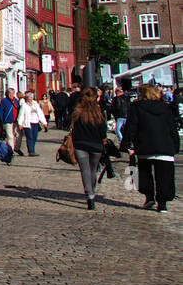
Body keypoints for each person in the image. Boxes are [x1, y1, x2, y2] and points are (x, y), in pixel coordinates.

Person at [121, 83, 180, 213]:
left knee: (144, 174)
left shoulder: (137, 107)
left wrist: (126, 144)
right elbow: (172, 128)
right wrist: (176, 145)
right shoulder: (166, 108)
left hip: (145, 145)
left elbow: (131, 127)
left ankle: (149, 198)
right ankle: (162, 204)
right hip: (165, 146)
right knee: (165, 177)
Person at [69, 88, 108, 210]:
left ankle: (89, 195)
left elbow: (70, 125)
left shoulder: (78, 111)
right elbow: (103, 130)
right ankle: (92, 190)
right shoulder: (98, 112)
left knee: (85, 170)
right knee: (93, 169)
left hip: (80, 143)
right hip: (96, 145)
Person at [17, 90, 47, 156]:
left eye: (31, 97)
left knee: (34, 137)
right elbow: (21, 115)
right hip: (28, 123)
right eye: (29, 98)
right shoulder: (24, 106)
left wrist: (44, 122)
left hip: (35, 122)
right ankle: (31, 151)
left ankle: (32, 149)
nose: (30, 99)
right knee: (29, 137)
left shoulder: (36, 104)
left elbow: (40, 113)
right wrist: (20, 123)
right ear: (27, 98)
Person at [0, 88, 20, 153]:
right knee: (10, 136)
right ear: (7, 94)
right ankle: (11, 149)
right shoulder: (4, 101)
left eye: (12, 93)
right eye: (10, 93)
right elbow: (1, 111)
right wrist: (1, 121)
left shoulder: (16, 101)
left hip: (16, 120)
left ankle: (16, 147)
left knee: (17, 135)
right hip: (8, 121)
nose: (11, 94)